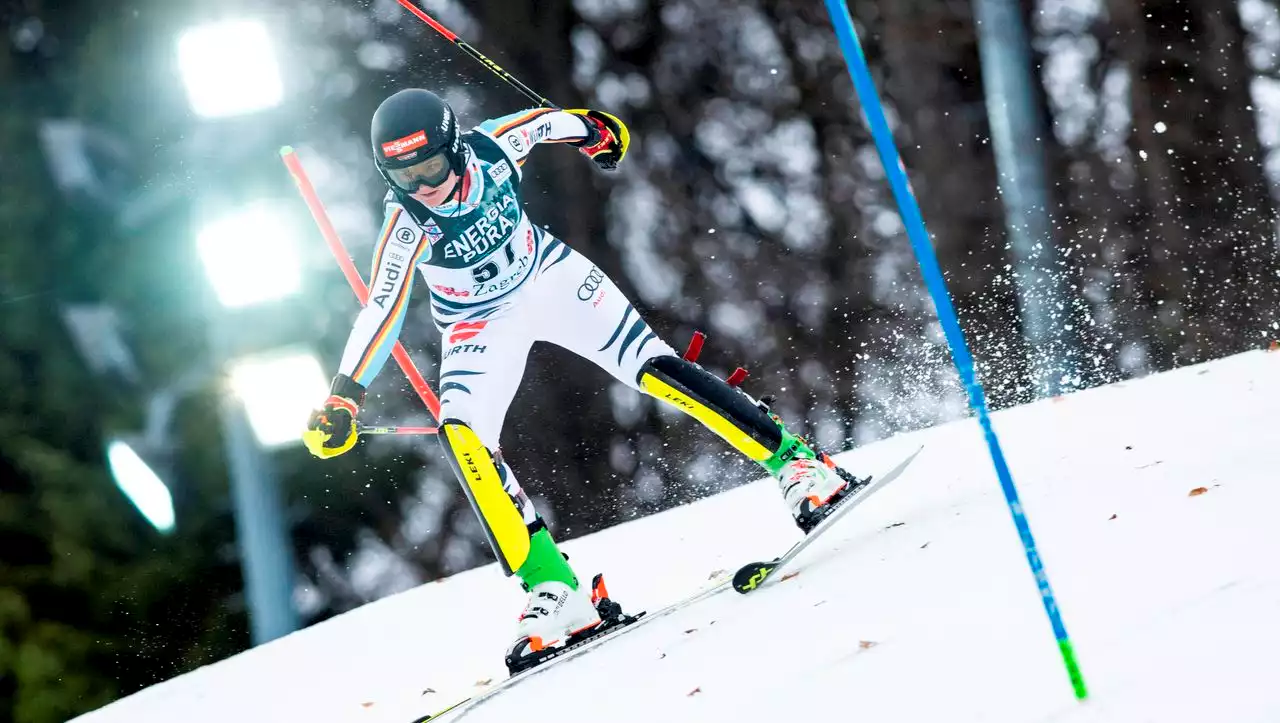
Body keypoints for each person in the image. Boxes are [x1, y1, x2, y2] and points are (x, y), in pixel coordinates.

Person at [302, 88, 863, 671]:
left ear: (454, 147)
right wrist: (345, 396)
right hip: (476, 325)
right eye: (405, 177)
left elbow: (546, 123)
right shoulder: (405, 225)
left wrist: (596, 131)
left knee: (653, 368)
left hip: (551, 279)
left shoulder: (492, 147)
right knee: (463, 438)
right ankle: (555, 590)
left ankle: (800, 464)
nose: (424, 187)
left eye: (431, 168)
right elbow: (382, 309)